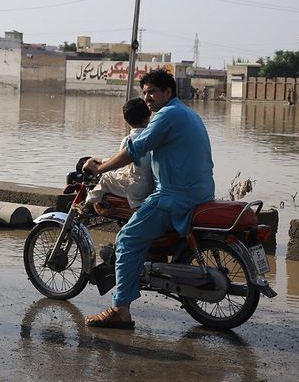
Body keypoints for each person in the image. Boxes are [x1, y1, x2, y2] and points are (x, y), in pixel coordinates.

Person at [83, 69, 215, 329]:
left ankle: (121, 310)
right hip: (199, 192)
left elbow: (134, 149)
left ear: (168, 91)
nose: (148, 98)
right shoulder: (187, 113)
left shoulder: (168, 115)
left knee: (127, 238)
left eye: (152, 91)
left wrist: (99, 169)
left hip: (174, 196)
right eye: (144, 93)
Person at [84, 98, 153, 209]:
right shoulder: (153, 138)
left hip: (137, 189)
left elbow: (120, 161)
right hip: (151, 186)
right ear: (147, 118)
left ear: (126, 120)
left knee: (106, 178)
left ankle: (87, 204)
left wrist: (100, 164)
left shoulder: (128, 140)